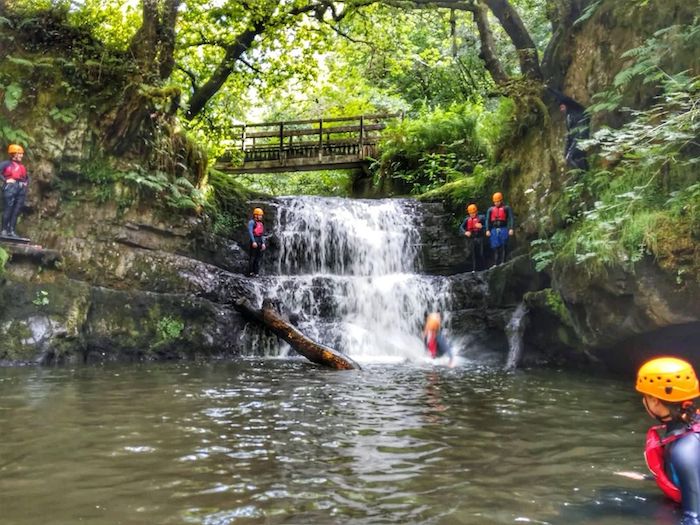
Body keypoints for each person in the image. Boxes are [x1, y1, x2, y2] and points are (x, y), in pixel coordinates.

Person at [636, 356, 700, 525]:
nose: (643, 401)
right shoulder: (690, 425)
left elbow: (694, 518)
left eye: (645, 397)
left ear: (655, 401)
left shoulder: (683, 450)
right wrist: (647, 478)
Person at [0, 144, 29, 238]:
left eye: (21, 154)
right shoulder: (6, 164)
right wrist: (5, 180)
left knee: (16, 210)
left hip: (20, 188)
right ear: (14, 154)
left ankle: (11, 230)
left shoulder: (22, 167)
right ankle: (4, 230)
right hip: (10, 188)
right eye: (19, 154)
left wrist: (25, 184)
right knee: (8, 208)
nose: (21, 156)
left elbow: (26, 178)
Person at [485, 192, 514, 267]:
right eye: (495, 202)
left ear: (501, 200)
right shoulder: (490, 210)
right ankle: (495, 263)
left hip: (503, 228)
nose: (496, 203)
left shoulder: (506, 208)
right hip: (494, 229)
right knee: (495, 246)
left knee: (504, 245)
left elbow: (510, 218)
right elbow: (487, 220)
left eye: (498, 201)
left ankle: (503, 261)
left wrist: (511, 228)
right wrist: (487, 229)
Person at [459, 203, 485, 272]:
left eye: (473, 213)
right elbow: (461, 227)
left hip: (480, 237)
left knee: (481, 253)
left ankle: (483, 268)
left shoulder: (481, 218)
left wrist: (482, 226)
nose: (472, 214)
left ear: (476, 212)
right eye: (471, 213)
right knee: (473, 254)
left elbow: (489, 226)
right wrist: (465, 232)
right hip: (472, 238)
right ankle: (474, 269)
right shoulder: (467, 220)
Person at [247, 207, 266, 277]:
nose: (261, 217)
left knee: (258, 258)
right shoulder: (251, 222)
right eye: (260, 215)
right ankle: (250, 272)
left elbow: (262, 234)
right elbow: (250, 232)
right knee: (252, 257)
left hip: (259, 241)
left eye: (261, 215)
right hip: (254, 240)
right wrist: (253, 241)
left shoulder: (261, 224)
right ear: (256, 215)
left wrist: (263, 243)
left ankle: (256, 272)